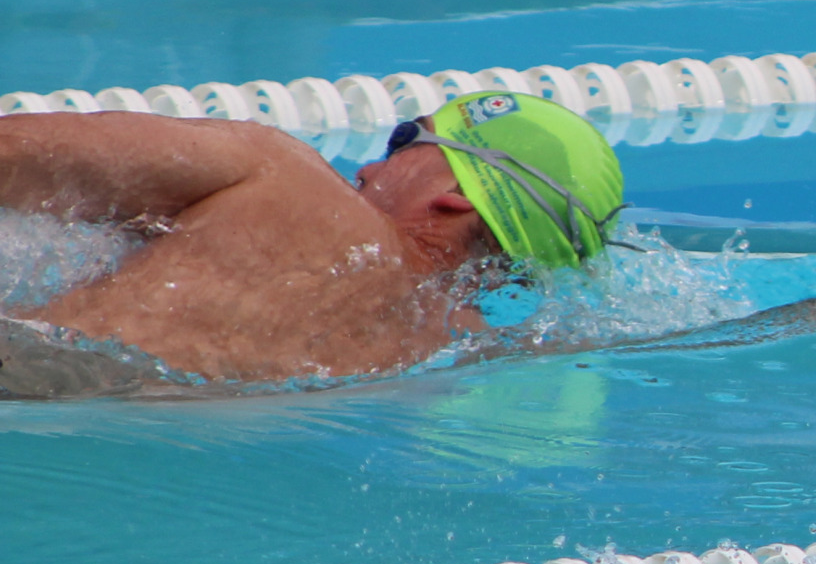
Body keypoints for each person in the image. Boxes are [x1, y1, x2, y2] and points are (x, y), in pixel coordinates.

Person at [0, 92, 625, 389]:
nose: (369, 169)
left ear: (457, 196)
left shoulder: (283, 179)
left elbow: (11, 153)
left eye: (408, 140)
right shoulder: (424, 357)